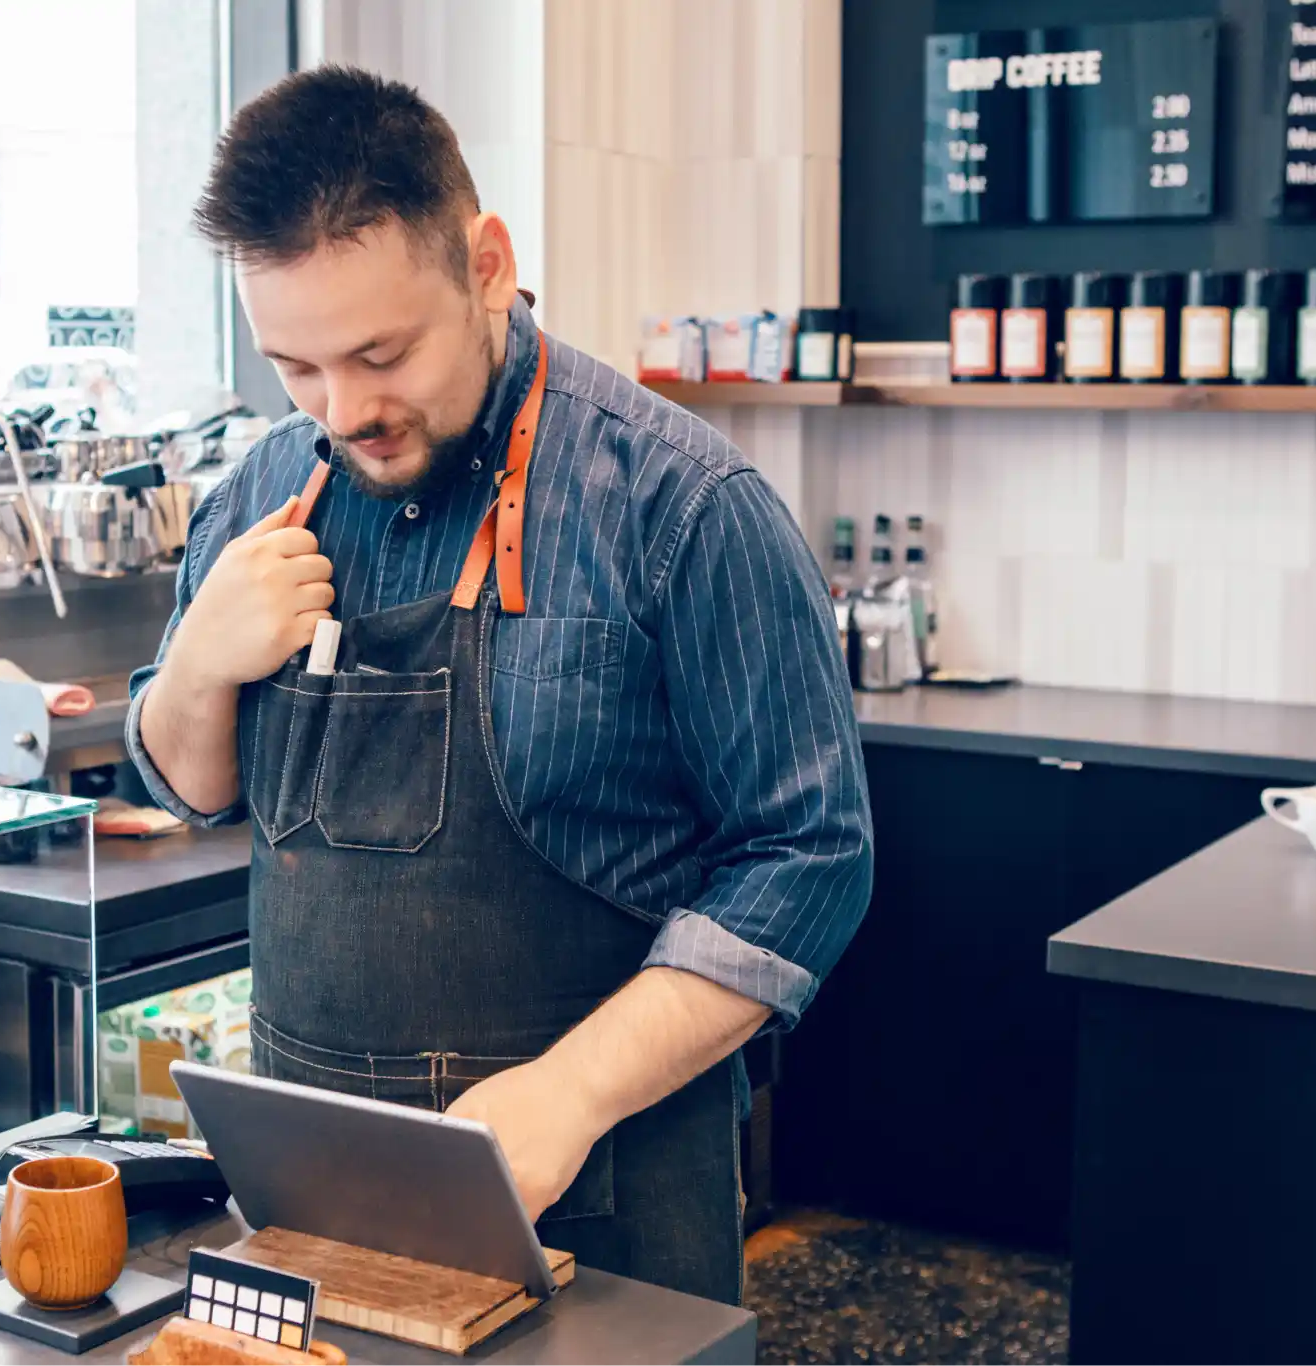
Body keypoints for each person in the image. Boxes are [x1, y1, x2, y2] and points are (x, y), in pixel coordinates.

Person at [129, 66, 871, 1305]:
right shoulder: (258, 491)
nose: (344, 410)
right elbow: (193, 782)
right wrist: (198, 661)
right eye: (294, 367)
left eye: (380, 352)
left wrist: (568, 1092)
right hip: (305, 1215)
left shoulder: (679, 506)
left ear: (484, 263)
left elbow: (808, 856)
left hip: (604, 1215)